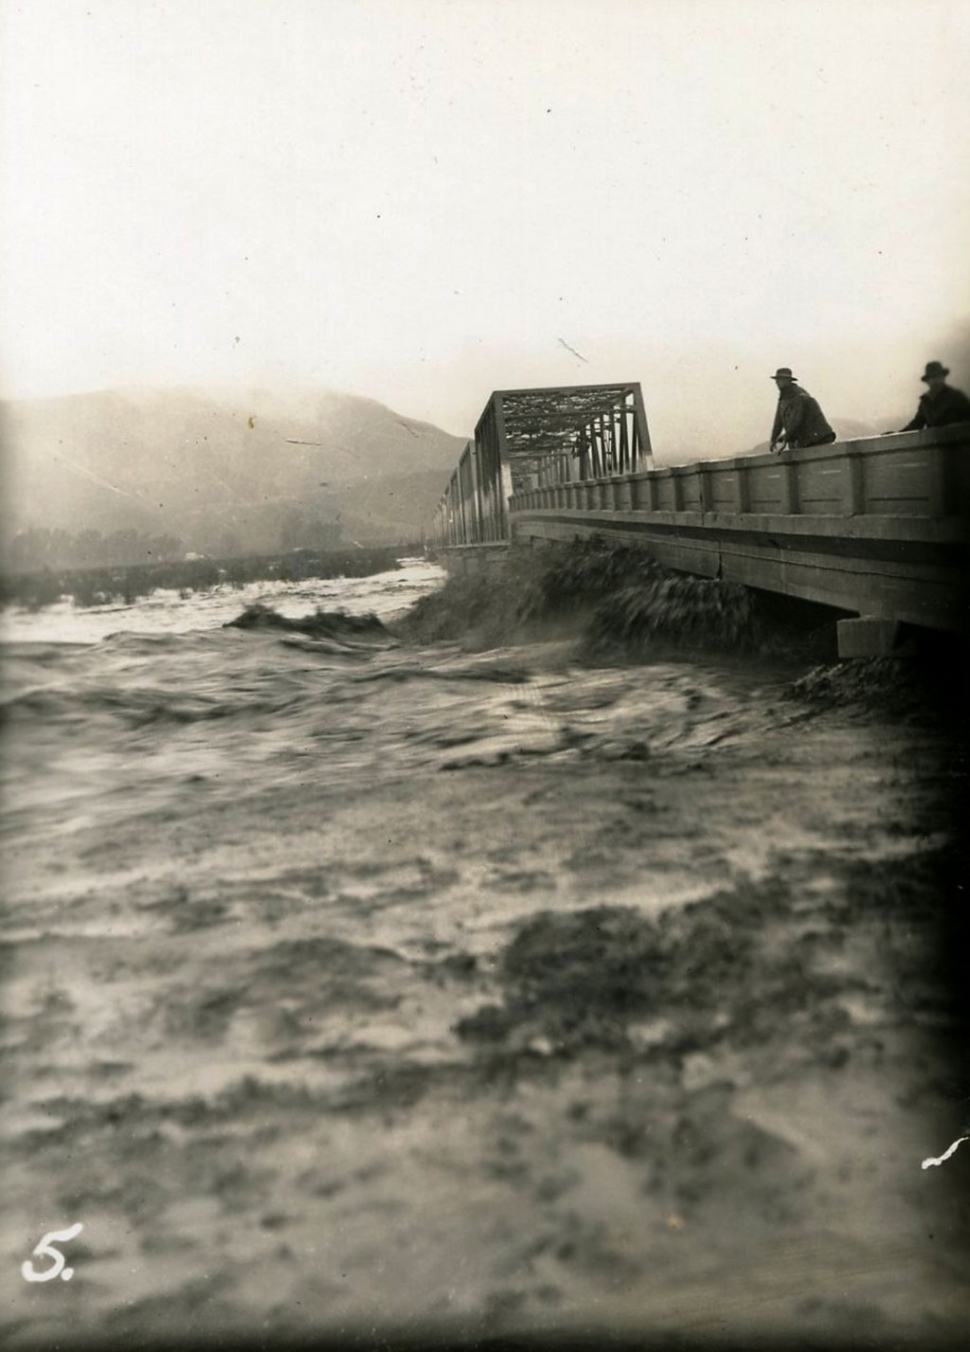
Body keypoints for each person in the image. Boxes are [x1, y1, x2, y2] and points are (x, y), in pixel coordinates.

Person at [769, 368, 836, 454]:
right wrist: (773, 440)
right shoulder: (783, 399)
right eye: (777, 380)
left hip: (818, 439)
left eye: (780, 380)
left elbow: (796, 420)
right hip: (805, 441)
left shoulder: (800, 396)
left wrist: (785, 438)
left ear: (788, 381)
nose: (777, 383)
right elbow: (778, 423)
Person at [899, 361, 970, 431]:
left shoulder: (956, 397)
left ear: (943, 378)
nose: (935, 381)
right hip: (935, 442)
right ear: (927, 381)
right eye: (932, 378)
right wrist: (897, 434)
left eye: (937, 377)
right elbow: (916, 424)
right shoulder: (925, 401)